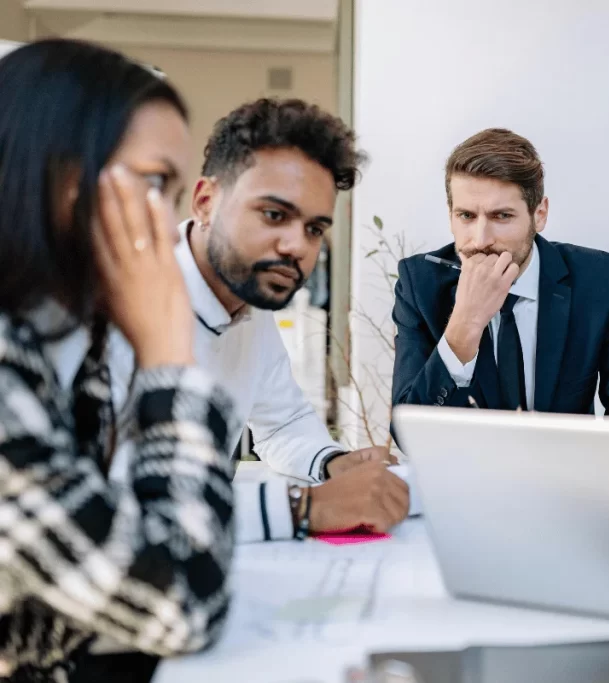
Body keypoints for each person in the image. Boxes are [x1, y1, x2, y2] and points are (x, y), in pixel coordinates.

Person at [0, 40, 239, 680]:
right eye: (153, 183)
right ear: (56, 175)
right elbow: (181, 600)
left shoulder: (66, 343)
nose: (168, 225)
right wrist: (170, 360)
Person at [108, 99, 410, 544]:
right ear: (206, 202)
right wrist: (305, 507)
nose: (297, 246)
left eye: (314, 229)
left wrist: (332, 463)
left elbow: (282, 423)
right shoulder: (112, 307)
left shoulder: (251, 300)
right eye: (274, 215)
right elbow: (110, 505)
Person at [391, 128, 609, 421]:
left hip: (565, 465)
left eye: (501, 216)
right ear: (451, 215)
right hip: (465, 467)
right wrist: (464, 325)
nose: (480, 240)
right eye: (467, 216)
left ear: (539, 214)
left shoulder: (602, 281)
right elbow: (409, 432)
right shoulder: (419, 283)